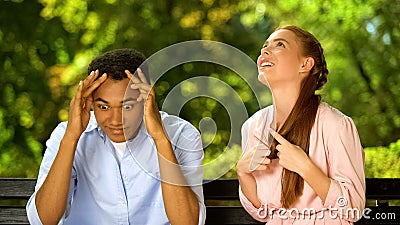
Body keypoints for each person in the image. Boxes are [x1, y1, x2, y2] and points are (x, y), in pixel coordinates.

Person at [26, 48, 206, 225]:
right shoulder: (65, 135)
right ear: (90, 103)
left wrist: (160, 138)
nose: (115, 120)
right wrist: (71, 138)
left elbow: (189, 222)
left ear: (146, 98)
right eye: (103, 107)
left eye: (127, 106)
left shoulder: (182, 135)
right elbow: (42, 220)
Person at [237, 25, 365, 224]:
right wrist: (243, 173)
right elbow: (263, 213)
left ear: (305, 65)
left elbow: (352, 209)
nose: (265, 50)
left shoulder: (335, 125)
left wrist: (306, 167)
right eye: (265, 46)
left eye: (280, 44)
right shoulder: (253, 126)